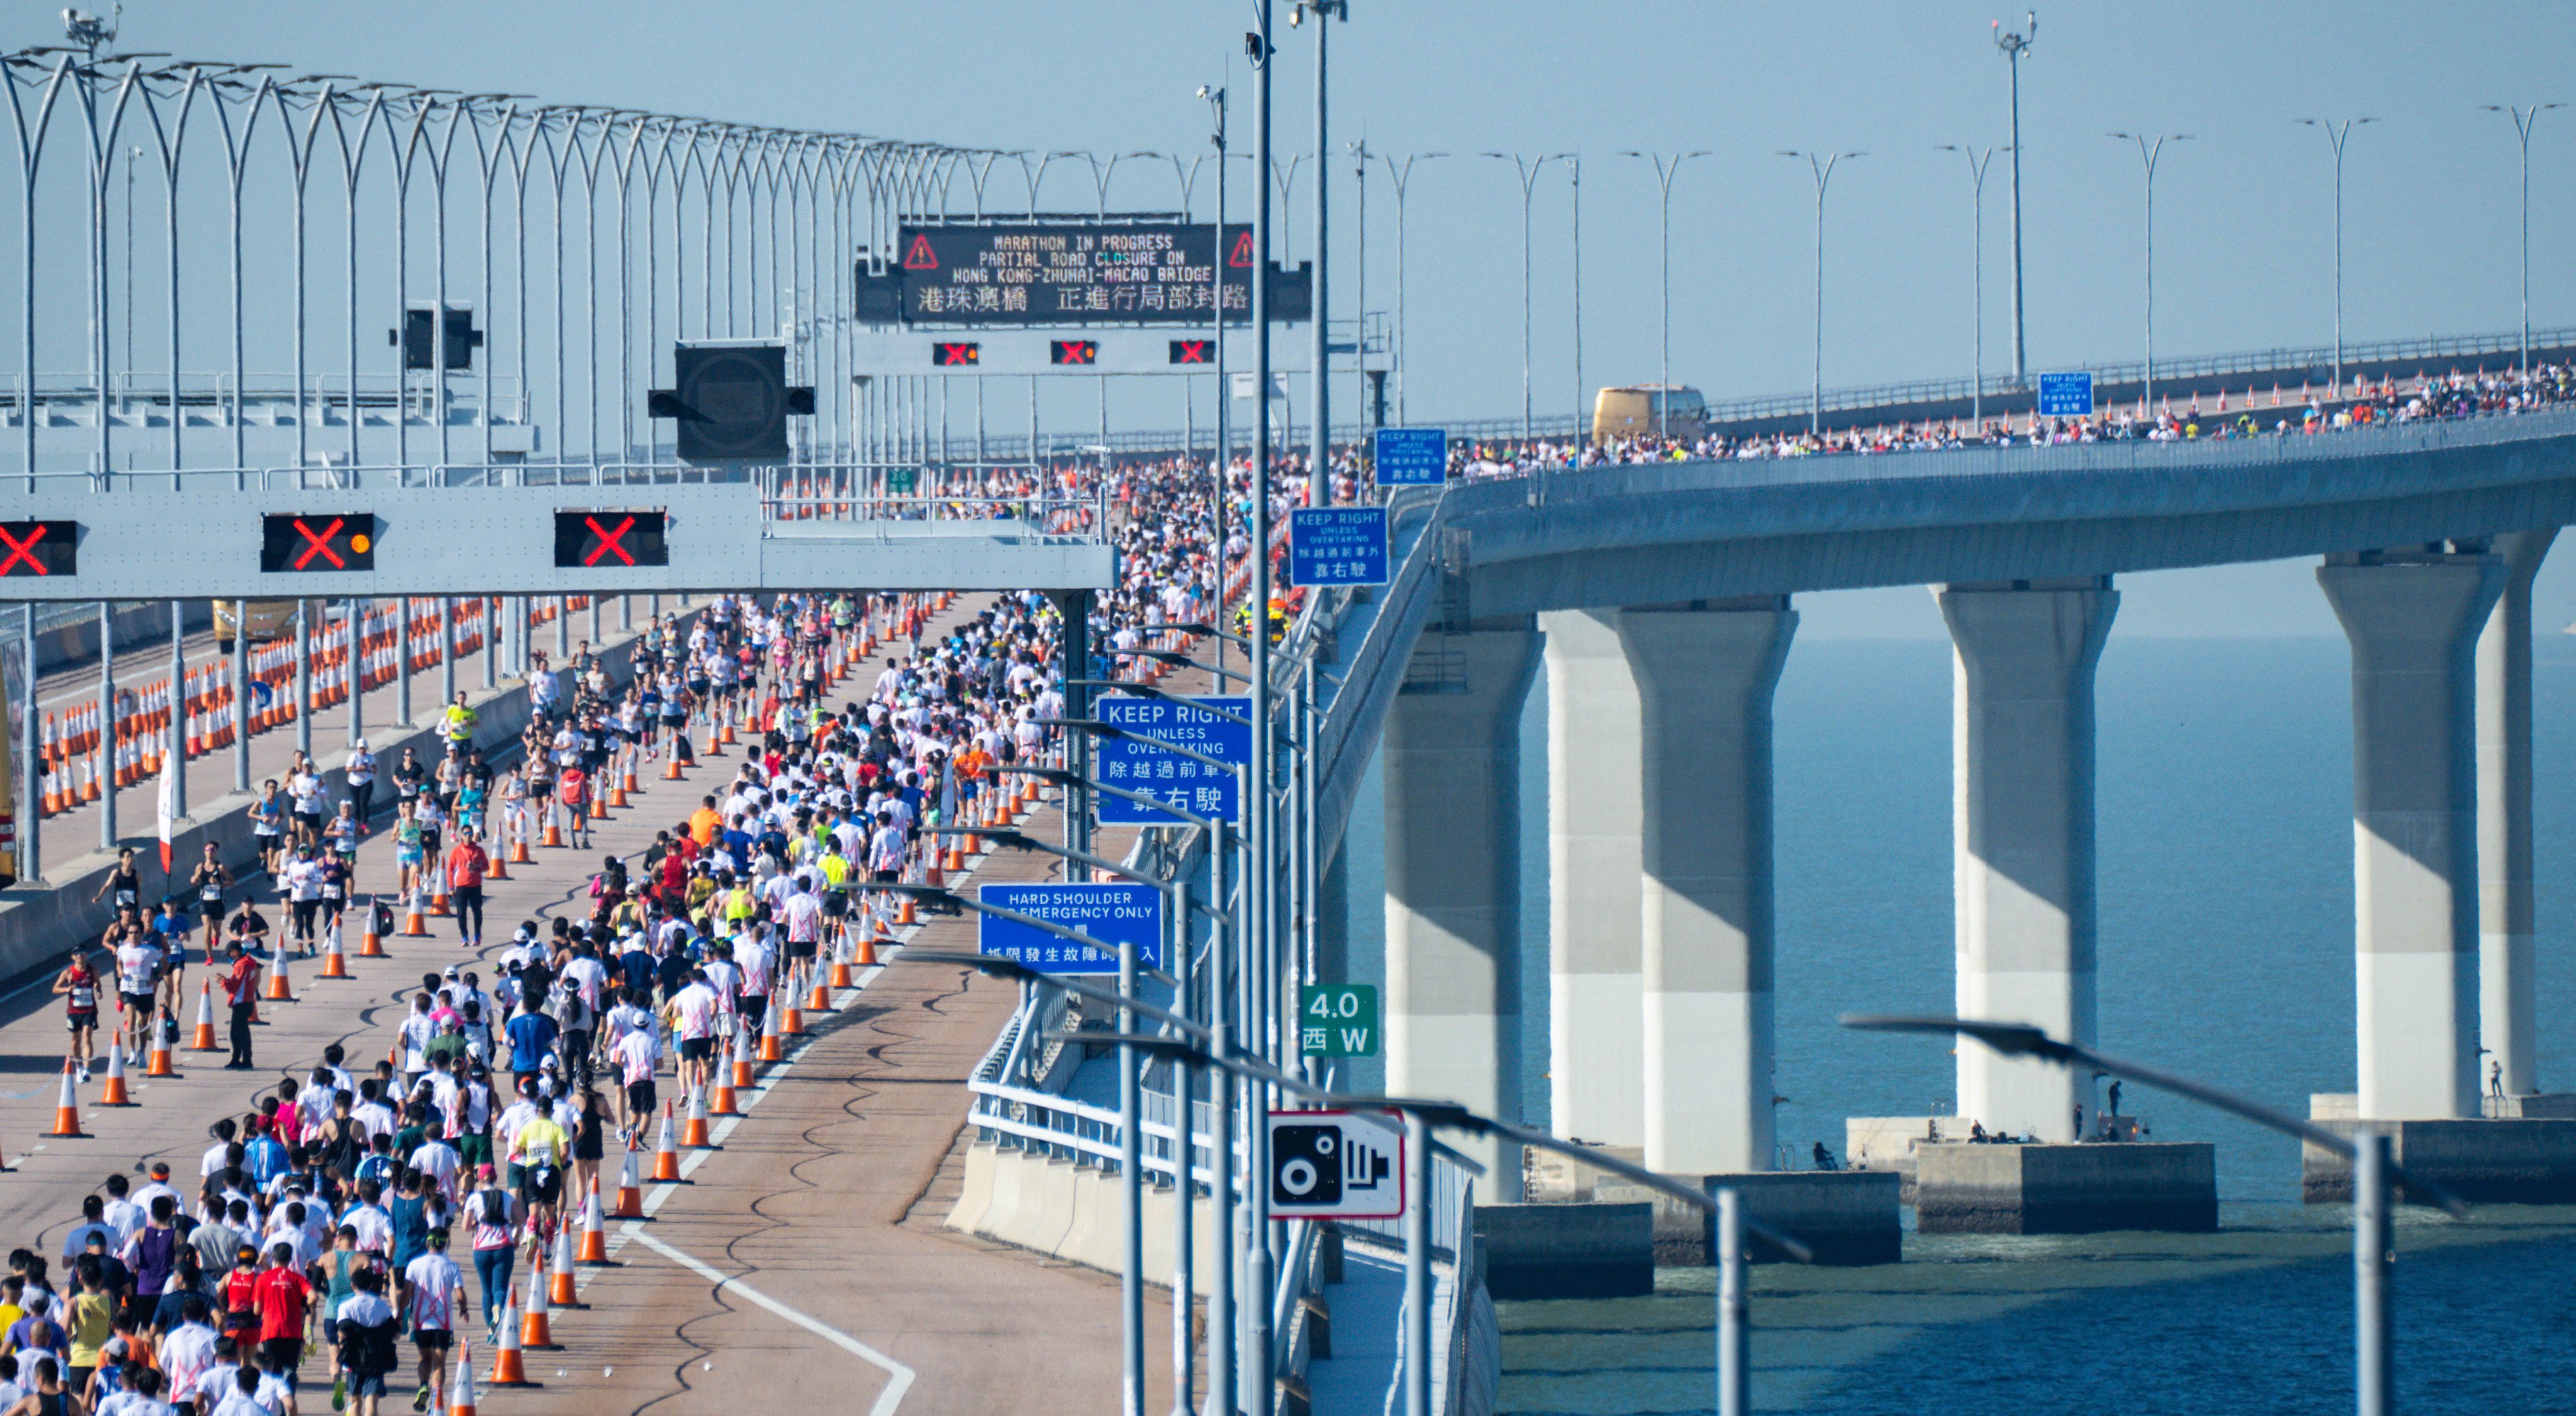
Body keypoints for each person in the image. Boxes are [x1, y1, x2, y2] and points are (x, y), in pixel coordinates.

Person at [396, 1231, 459, 1415]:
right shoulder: (451, 1265)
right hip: (443, 1323)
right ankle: (435, 1397)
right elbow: (460, 1294)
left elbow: (406, 1293)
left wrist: (400, 1316)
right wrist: (463, 1309)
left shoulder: (414, 1264)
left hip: (421, 1322)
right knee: (440, 1363)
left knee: (425, 1358)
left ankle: (423, 1385)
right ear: (445, 1244)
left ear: (428, 1243)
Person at [332, 1268, 398, 1416]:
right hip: (376, 1358)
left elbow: (342, 1333)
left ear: (353, 1285)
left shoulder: (346, 1307)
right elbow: (395, 1333)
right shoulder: (381, 1306)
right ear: (370, 1286)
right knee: (372, 1401)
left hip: (354, 1358)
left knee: (355, 1401)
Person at [50, 951, 101, 1083]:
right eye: (77, 954)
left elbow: (97, 982)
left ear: (87, 955)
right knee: (75, 1040)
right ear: (73, 957)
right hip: (74, 1011)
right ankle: (78, 1066)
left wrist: (98, 990)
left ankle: (87, 1070)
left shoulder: (93, 970)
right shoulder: (68, 972)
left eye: (83, 953)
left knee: (87, 1038)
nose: (80, 956)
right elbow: (55, 988)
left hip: (89, 1010)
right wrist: (66, 990)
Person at [442, 833, 487, 951]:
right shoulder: (457, 851)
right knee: (461, 912)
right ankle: (464, 936)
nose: (468, 836)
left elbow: (487, 866)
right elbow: (450, 869)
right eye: (466, 834)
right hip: (461, 885)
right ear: (462, 836)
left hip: (475, 885)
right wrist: (451, 887)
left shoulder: (478, 850)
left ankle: (477, 934)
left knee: (477, 911)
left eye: (470, 834)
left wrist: (477, 867)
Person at [218, 945, 260, 1071]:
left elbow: (234, 987)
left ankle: (242, 1060)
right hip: (247, 1001)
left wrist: (223, 982)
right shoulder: (248, 962)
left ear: (236, 952)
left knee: (238, 1034)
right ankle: (241, 1059)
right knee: (241, 1032)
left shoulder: (241, 965)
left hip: (241, 1003)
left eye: (230, 953)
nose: (230, 956)